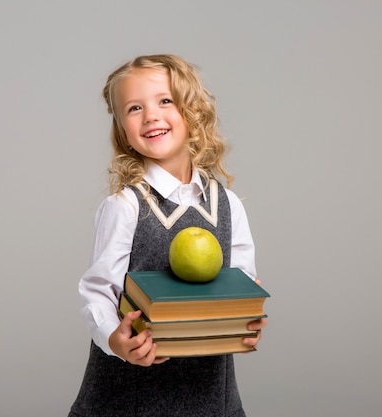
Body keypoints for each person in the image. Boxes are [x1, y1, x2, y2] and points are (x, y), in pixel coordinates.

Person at [67, 54, 267, 417]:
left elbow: (240, 287)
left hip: (209, 398)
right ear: (122, 131)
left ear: (193, 111)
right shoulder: (124, 208)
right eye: (134, 108)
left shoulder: (228, 205)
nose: (151, 116)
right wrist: (116, 340)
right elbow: (98, 293)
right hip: (127, 399)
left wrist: (246, 322)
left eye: (165, 101)